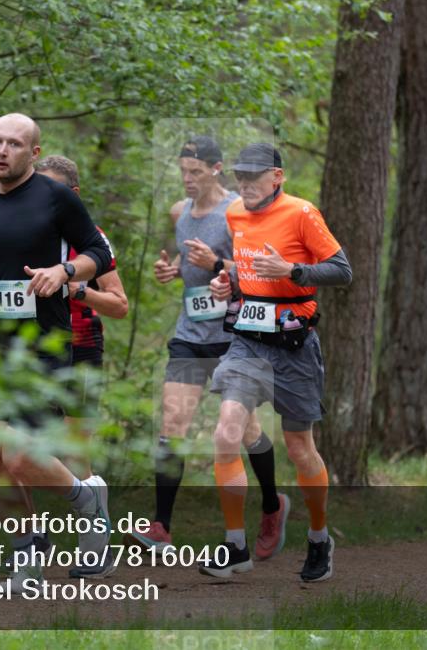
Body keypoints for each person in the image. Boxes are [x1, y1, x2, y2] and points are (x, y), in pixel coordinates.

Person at [0, 113, 116, 589]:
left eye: (14, 144)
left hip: (45, 344)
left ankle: (85, 500)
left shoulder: (56, 198)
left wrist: (65, 273)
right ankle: (26, 563)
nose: (2, 151)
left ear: (34, 153)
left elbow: (97, 251)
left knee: (20, 458)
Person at [129, 136, 289, 562]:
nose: (187, 179)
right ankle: (161, 527)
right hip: (190, 333)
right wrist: (174, 269)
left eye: (195, 172)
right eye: (183, 171)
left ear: (217, 170)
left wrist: (218, 267)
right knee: (173, 423)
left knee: (246, 431)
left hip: (234, 336)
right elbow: (190, 263)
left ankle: (272, 506)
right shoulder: (179, 213)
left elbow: (257, 270)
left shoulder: (240, 211)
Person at [198, 142, 352, 583]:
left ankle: (320, 538)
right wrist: (229, 285)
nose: (244, 185)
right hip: (248, 341)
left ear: (276, 178)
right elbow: (246, 271)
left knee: (300, 448)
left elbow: (343, 271)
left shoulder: (302, 213)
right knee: (226, 432)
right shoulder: (234, 214)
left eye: (254, 177)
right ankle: (235, 547)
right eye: (240, 177)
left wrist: (291, 271)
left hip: (294, 345)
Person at [35, 154, 129, 479]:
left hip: (81, 347)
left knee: (76, 451)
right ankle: (30, 529)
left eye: (54, 190)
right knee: (24, 448)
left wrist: (79, 291)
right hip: (34, 347)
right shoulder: (24, 232)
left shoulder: (92, 238)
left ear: (73, 194)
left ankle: (93, 524)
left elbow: (119, 305)